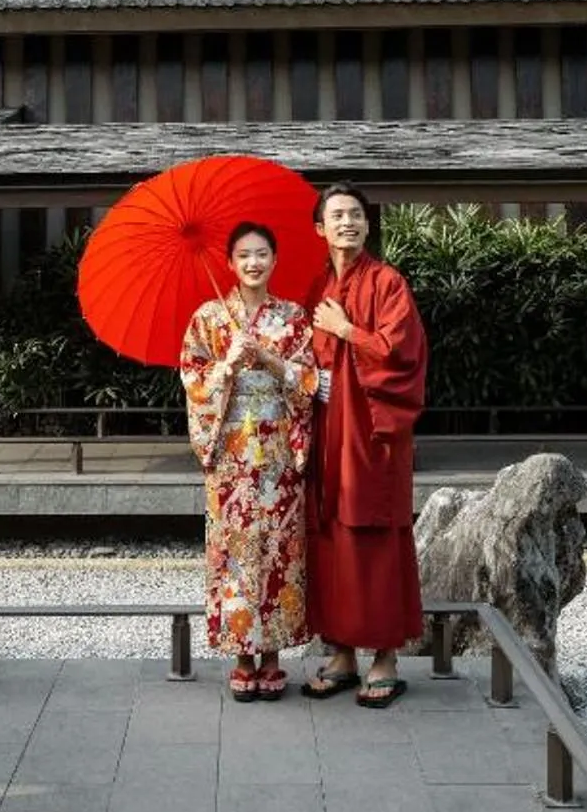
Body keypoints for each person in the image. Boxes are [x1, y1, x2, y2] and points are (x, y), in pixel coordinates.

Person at [176, 221, 323, 701]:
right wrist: (227, 366)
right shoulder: (208, 318)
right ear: (230, 263)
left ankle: (274, 656)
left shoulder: (293, 317)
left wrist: (270, 359)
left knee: (280, 549)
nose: (253, 263)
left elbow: (309, 380)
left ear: (274, 260)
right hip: (231, 453)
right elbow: (193, 380)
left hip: (278, 449)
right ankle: (242, 656)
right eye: (244, 255)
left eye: (261, 254)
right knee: (235, 551)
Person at [301, 182, 428, 707]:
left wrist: (347, 331)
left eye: (355, 214)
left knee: (374, 537)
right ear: (320, 229)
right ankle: (341, 652)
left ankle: (385, 657)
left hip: (372, 436)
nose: (347, 222)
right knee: (329, 535)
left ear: (368, 225)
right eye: (336, 215)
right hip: (327, 429)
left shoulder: (388, 282)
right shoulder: (315, 286)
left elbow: (402, 355)